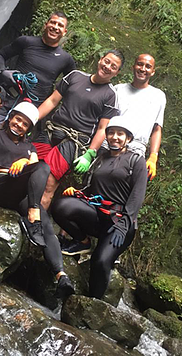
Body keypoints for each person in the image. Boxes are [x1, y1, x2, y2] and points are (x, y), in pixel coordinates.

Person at [0, 101, 75, 298]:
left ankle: (61, 276)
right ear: (11, 117)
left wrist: (25, 160)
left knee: (45, 224)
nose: (19, 124)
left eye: (25, 124)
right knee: (40, 177)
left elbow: (38, 170)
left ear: (28, 129)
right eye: (18, 119)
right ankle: (33, 214)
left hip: (23, 194)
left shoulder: (30, 147)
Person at [50, 116, 147, 299]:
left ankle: (93, 304)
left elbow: (137, 196)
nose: (115, 137)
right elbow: (93, 187)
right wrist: (79, 193)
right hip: (96, 214)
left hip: (118, 223)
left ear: (128, 138)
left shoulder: (136, 161)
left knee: (101, 261)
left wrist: (124, 223)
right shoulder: (101, 158)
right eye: (111, 133)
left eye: (120, 134)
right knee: (62, 206)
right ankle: (82, 242)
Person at [35, 50, 123, 208]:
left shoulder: (110, 95)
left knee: (48, 182)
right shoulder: (75, 76)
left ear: (117, 73)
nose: (108, 66)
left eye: (114, 66)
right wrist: (32, 119)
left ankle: (34, 222)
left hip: (74, 141)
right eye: (107, 61)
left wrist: (90, 153)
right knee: (31, 167)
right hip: (51, 130)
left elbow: (103, 128)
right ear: (100, 60)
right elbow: (52, 101)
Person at [0, 12, 75, 110]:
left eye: (60, 25)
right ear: (46, 25)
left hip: (33, 109)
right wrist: (3, 71)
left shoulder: (66, 59)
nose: (55, 27)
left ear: (64, 32)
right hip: (9, 98)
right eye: (53, 22)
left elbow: (71, 86)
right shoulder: (26, 42)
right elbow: (0, 55)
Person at [113, 53, 166, 180]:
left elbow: (157, 129)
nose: (143, 69)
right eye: (140, 64)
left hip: (136, 150)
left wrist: (153, 157)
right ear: (133, 66)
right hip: (111, 145)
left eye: (148, 66)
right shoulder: (117, 90)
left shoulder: (158, 96)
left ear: (152, 72)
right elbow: (105, 121)